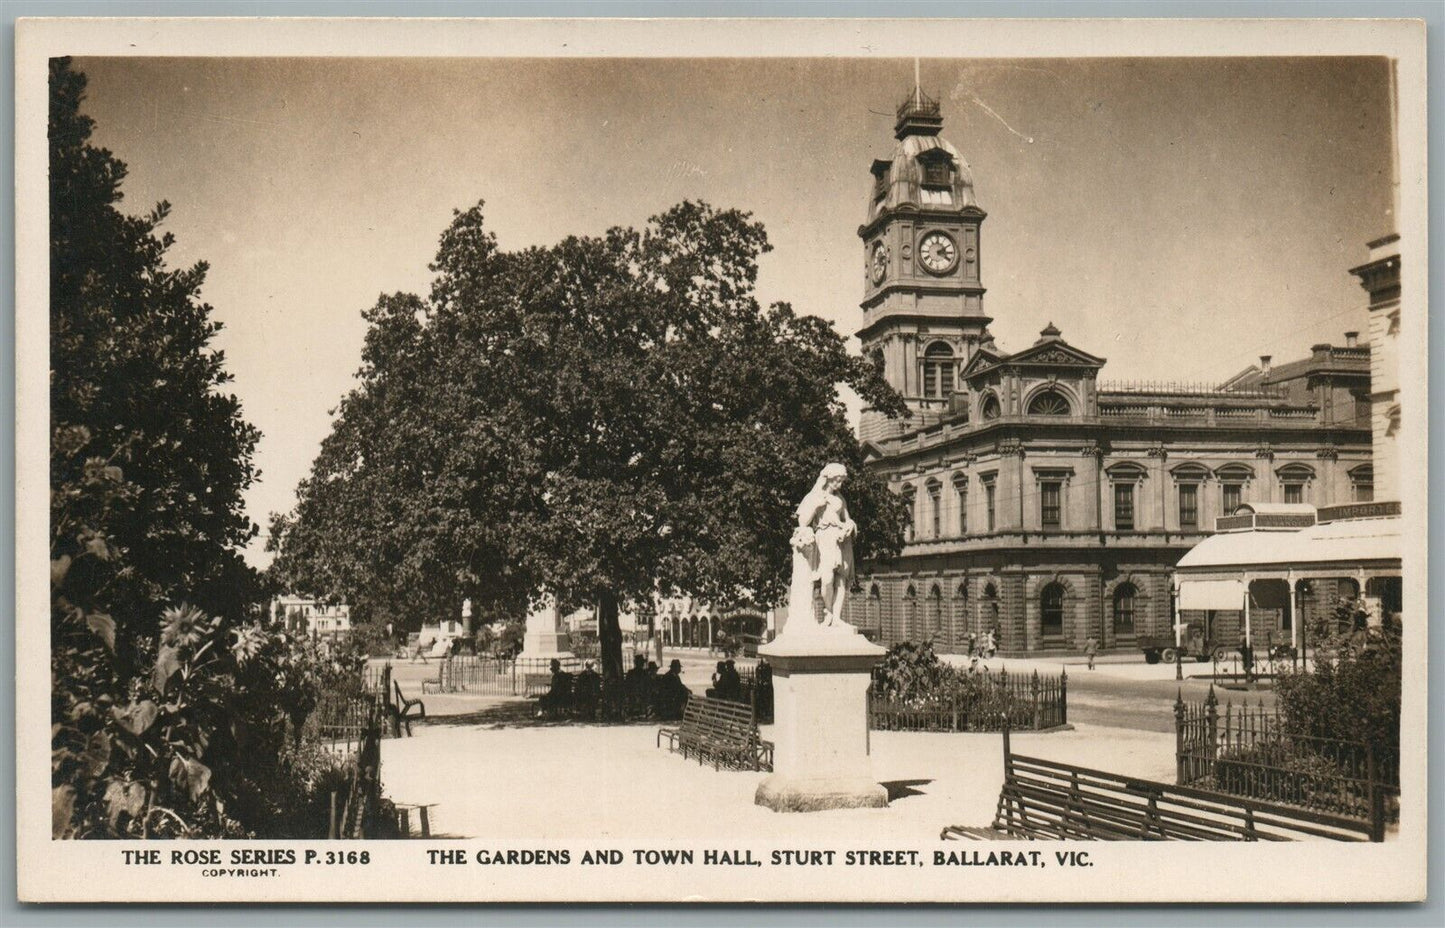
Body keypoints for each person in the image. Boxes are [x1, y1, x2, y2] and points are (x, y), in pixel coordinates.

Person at [790, 462, 858, 629]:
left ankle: (836, 617)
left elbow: (847, 518)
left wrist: (849, 525)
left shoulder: (840, 498)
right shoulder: (814, 496)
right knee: (826, 579)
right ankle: (828, 612)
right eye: (837, 480)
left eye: (841, 481)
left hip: (841, 539)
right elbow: (802, 522)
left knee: (840, 579)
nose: (839, 485)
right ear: (828, 478)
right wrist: (815, 505)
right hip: (824, 538)